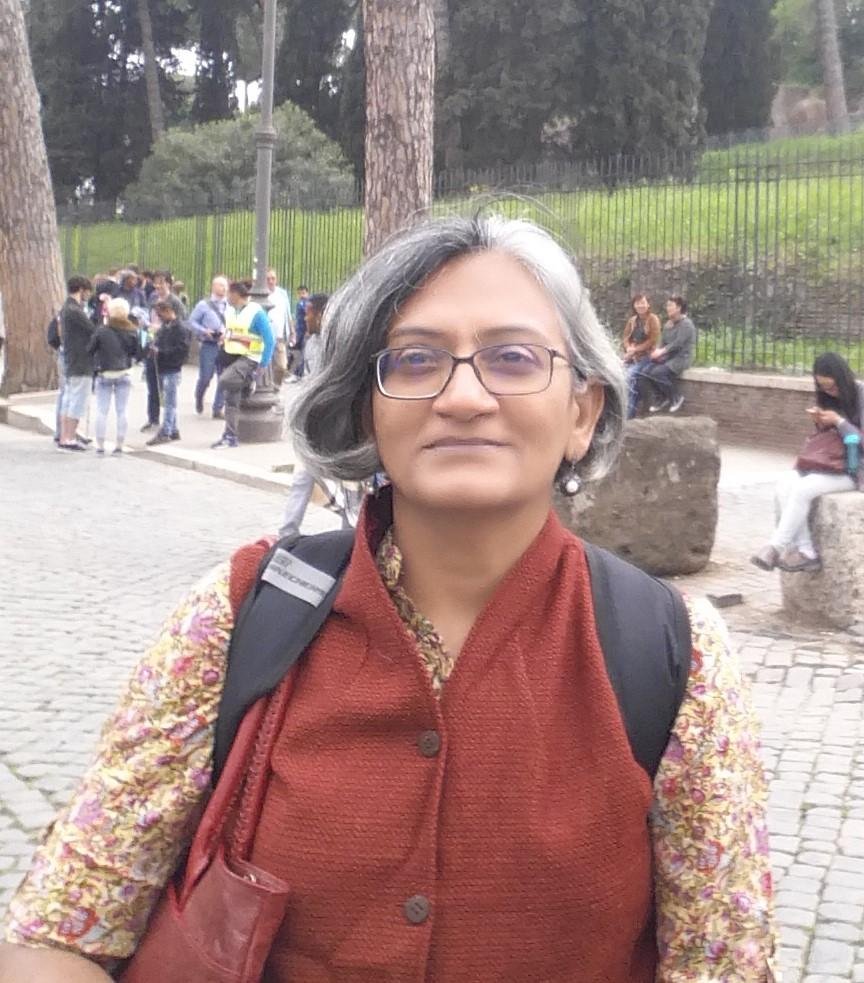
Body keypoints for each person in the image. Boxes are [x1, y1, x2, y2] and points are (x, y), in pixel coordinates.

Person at [0, 215, 776, 981]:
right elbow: (60, 929)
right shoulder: (237, 613)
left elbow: (724, 963)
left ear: (582, 412)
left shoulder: (673, 654)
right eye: (414, 359)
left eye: (512, 358)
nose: (464, 397)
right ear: (367, 407)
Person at [751, 352, 863, 573]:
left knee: (803, 488)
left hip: (853, 468)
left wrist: (839, 422)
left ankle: (776, 546)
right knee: (785, 484)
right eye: (823, 387)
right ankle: (806, 550)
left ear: (842, 378)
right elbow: (828, 440)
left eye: (832, 386)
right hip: (826, 464)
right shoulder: (828, 398)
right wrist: (821, 423)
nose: (829, 392)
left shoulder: (861, 394)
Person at [278, 293, 333, 538]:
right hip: (313, 422)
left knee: (346, 486)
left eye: (309, 313)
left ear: (320, 315)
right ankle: (287, 532)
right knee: (303, 476)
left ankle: (353, 536)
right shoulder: (311, 342)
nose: (304, 317)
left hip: (334, 423)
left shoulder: (335, 344)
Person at [211, 280, 274, 449]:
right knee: (231, 400)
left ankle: (249, 382)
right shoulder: (231, 310)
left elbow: (269, 339)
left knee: (224, 380)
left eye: (229, 293)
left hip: (249, 358)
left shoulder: (256, 312)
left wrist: (263, 364)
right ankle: (230, 436)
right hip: (232, 356)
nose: (226, 296)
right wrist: (225, 338)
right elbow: (232, 331)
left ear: (235, 294)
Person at [87, 297, 141, 455]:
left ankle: (100, 444)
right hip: (124, 372)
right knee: (122, 410)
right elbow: (136, 353)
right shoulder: (132, 331)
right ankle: (119, 443)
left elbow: (90, 349)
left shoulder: (102, 330)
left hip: (105, 372)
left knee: (102, 410)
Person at [635, 295, 696, 414]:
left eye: (670, 305)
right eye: (667, 305)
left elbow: (678, 344)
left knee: (657, 372)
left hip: (681, 358)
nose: (667, 308)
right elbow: (662, 341)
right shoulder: (668, 324)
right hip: (668, 357)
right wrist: (657, 352)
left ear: (679, 308)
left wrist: (662, 352)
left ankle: (676, 397)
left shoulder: (686, 324)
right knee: (644, 372)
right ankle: (661, 397)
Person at [141, 272, 186, 433]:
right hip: (152, 341)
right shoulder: (153, 299)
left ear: (168, 283)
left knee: (167, 391)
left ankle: (169, 427)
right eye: (156, 283)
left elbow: (179, 323)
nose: (158, 286)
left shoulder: (175, 302)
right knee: (152, 385)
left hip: (166, 348)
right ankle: (153, 418)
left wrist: (161, 328)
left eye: (161, 282)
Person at [57, 275, 95, 452]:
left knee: (68, 399)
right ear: (81, 289)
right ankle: (69, 437)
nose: (88, 295)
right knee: (77, 400)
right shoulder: (75, 311)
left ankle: (64, 436)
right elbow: (92, 330)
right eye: (87, 291)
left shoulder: (66, 308)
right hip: (81, 360)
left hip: (71, 358)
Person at [145, 300, 190, 447]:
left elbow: (182, 351)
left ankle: (166, 431)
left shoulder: (180, 329)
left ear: (169, 311)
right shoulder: (165, 328)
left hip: (172, 368)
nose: (159, 317)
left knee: (169, 402)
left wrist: (161, 352)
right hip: (163, 367)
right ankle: (173, 429)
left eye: (161, 314)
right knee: (168, 400)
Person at [189, 275, 228, 417]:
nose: (224, 288)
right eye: (221, 285)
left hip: (225, 344)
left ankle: (218, 408)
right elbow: (191, 321)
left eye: (225, 286)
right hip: (209, 344)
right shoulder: (203, 305)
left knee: (224, 377)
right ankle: (199, 395)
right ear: (213, 287)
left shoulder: (230, 305)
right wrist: (204, 331)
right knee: (206, 376)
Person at [621, 293, 661, 418]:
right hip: (632, 356)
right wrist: (628, 348)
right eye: (638, 303)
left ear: (648, 304)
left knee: (629, 377)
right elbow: (625, 337)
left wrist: (635, 349)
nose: (640, 306)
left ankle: (629, 415)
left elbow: (652, 340)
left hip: (646, 356)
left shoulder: (653, 319)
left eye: (643, 303)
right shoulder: (632, 321)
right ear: (634, 305)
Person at [266, 268, 292, 386]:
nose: (271, 281)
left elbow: (288, 313)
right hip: (264, 336)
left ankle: (276, 387)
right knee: (266, 365)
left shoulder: (282, 294)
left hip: (279, 336)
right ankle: (266, 387)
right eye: (268, 279)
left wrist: (292, 330)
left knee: (282, 366)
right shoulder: (261, 293)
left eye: (273, 278)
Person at [290, 284, 310, 379]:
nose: (302, 295)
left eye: (303, 293)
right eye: (300, 293)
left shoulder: (304, 304)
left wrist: (307, 330)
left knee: (301, 353)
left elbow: (307, 316)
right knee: (300, 352)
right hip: (300, 331)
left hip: (303, 331)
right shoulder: (301, 303)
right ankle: (299, 373)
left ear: (307, 293)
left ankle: (298, 374)